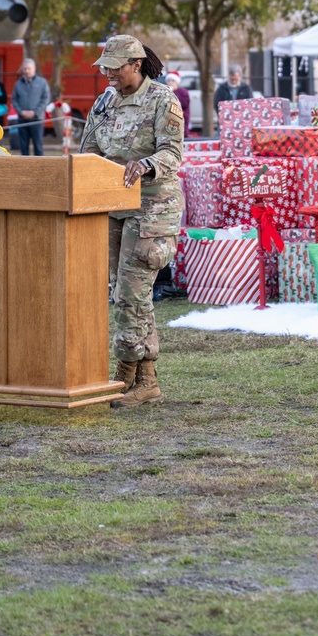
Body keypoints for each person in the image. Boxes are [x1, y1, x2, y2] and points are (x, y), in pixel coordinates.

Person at [79, 36, 184, 409]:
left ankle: (129, 374)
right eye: (104, 65)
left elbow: (173, 151)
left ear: (136, 64)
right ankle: (145, 378)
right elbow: (88, 151)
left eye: (114, 66)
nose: (107, 72)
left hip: (153, 208)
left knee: (132, 293)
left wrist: (146, 164)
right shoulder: (104, 102)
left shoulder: (162, 99)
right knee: (123, 293)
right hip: (113, 206)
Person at [11, 58, 50, 156]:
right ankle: (25, 169)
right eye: (25, 69)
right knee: (23, 146)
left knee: (38, 146)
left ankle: (40, 167)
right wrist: (21, 112)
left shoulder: (42, 82)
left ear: (34, 68)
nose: (27, 71)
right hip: (22, 120)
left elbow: (46, 98)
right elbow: (14, 100)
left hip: (37, 119)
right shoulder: (18, 84)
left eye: (29, 68)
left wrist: (35, 112)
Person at [166, 71, 191, 136]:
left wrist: (173, 94)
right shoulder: (165, 92)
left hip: (180, 121)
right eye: (169, 80)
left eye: (173, 81)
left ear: (177, 82)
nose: (170, 83)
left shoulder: (183, 92)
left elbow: (185, 104)